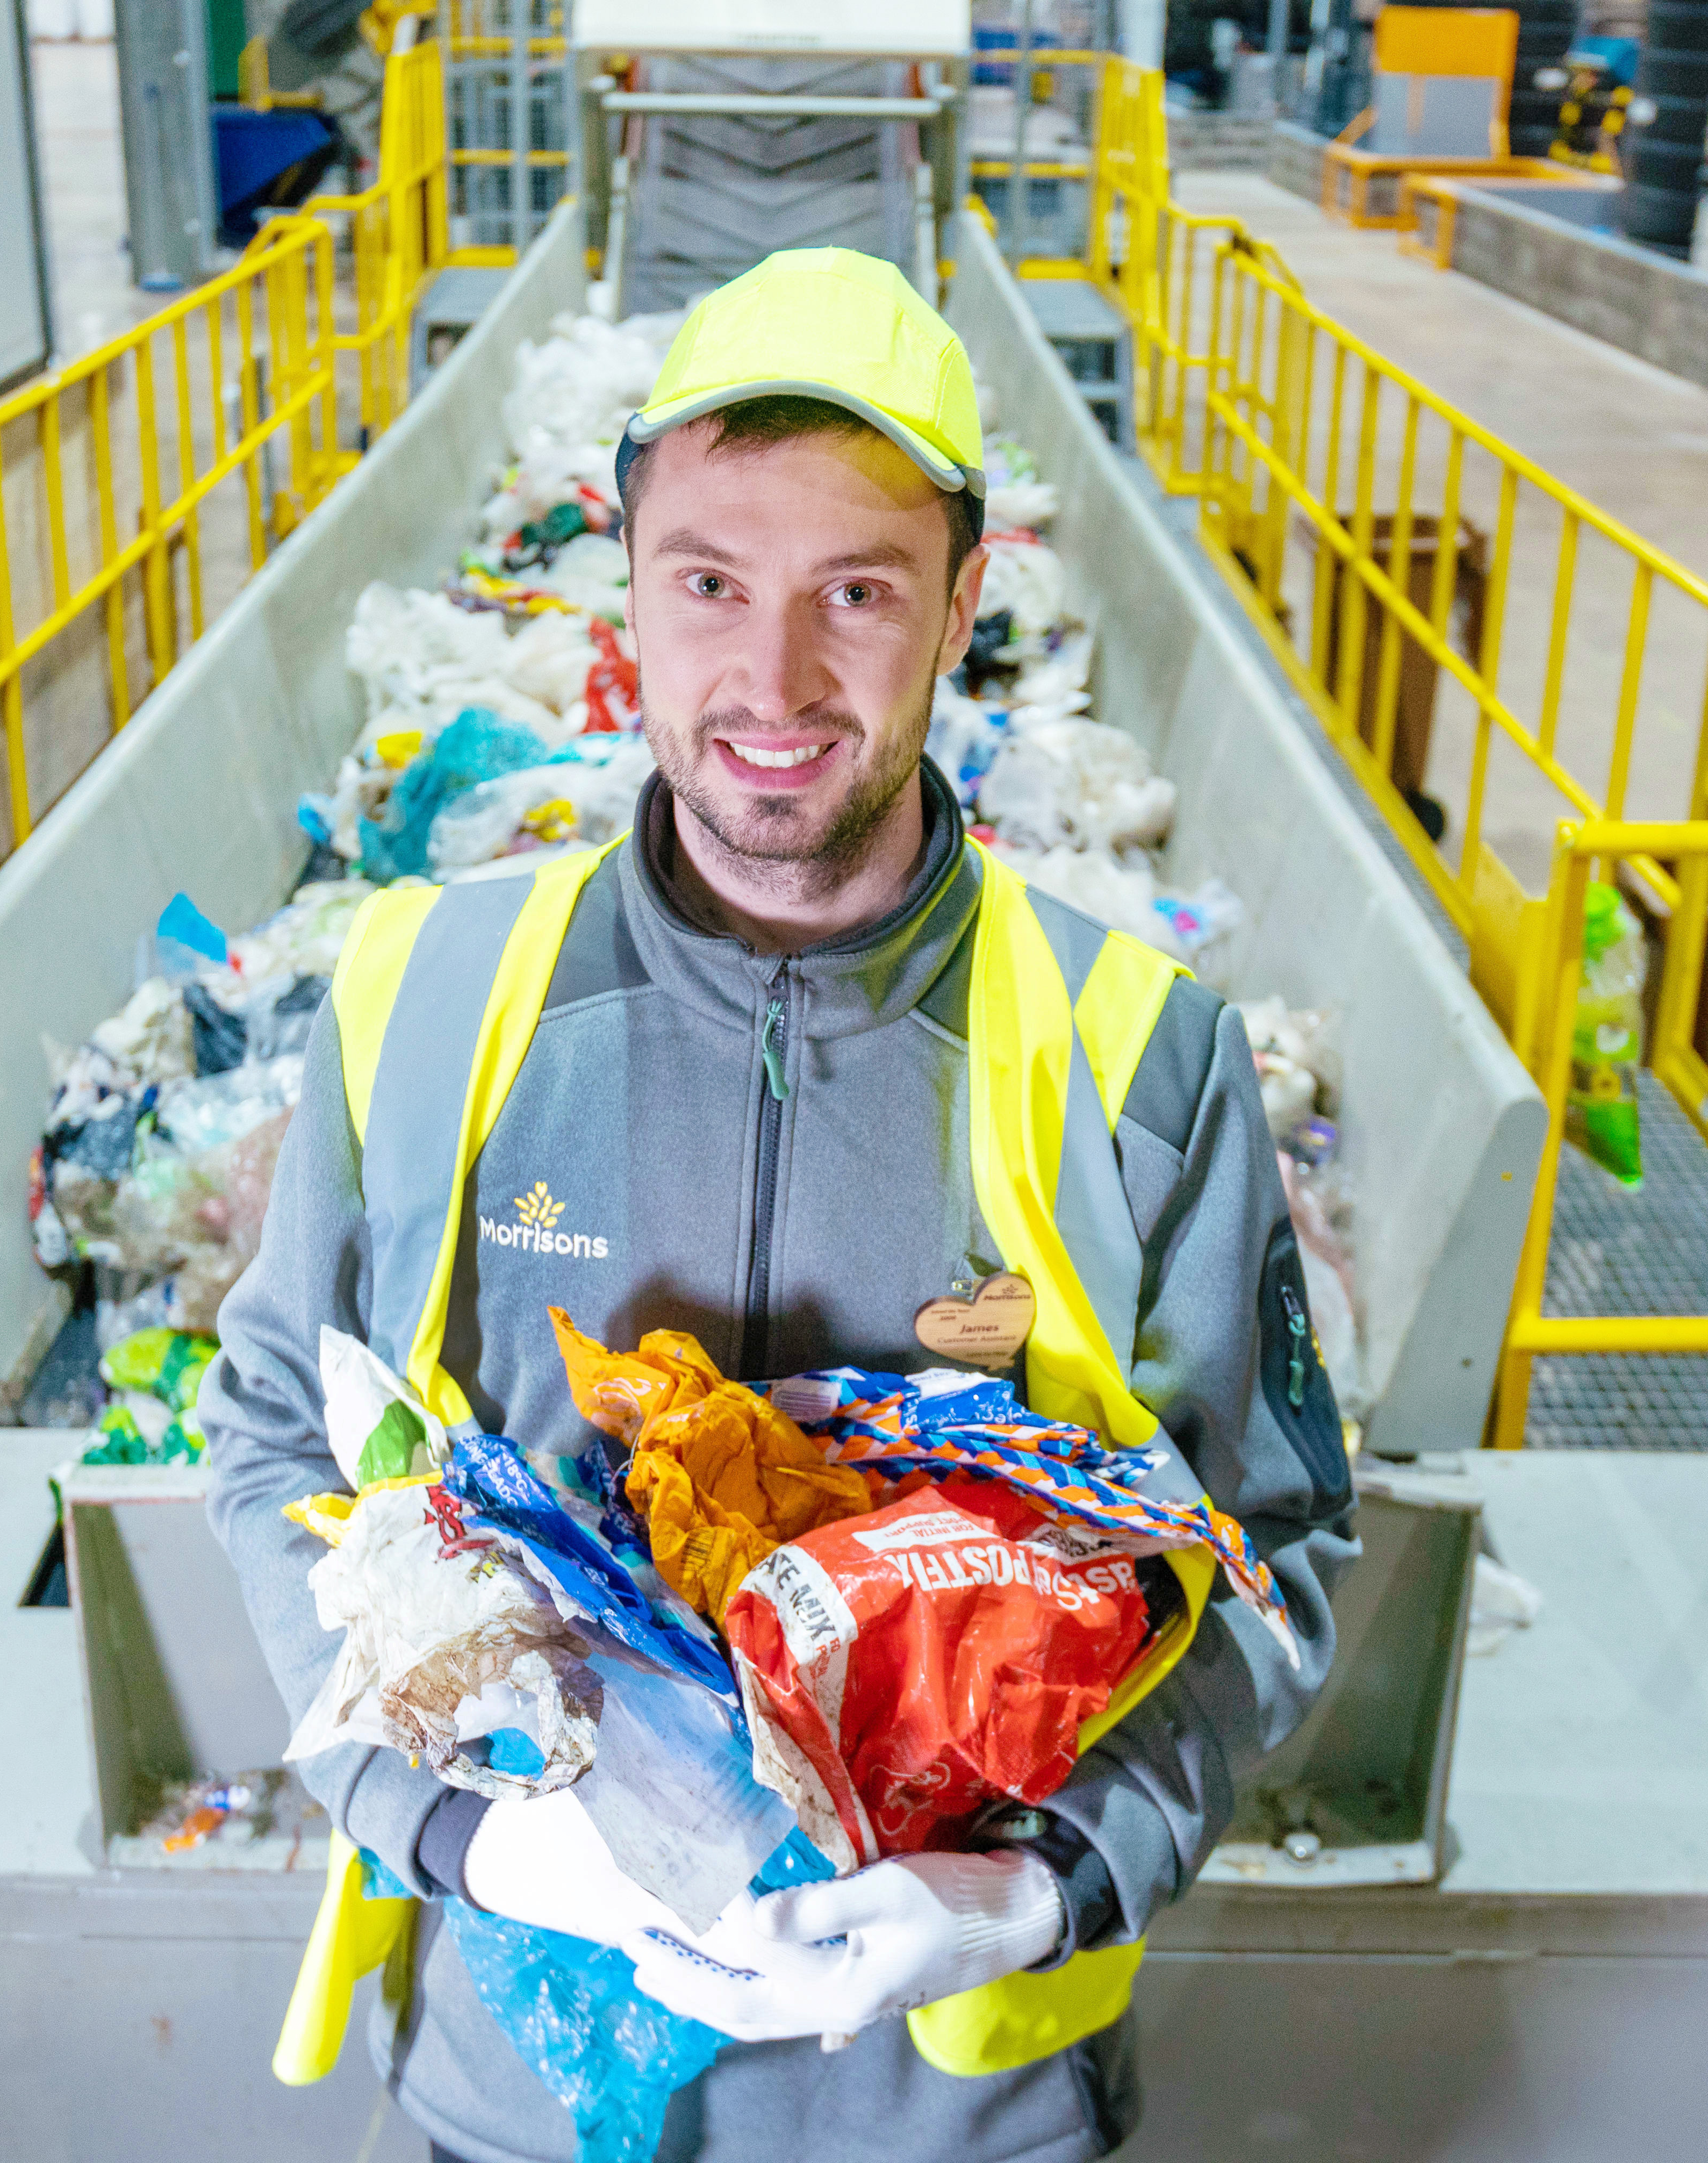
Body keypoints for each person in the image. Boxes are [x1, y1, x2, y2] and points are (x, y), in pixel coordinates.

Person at [200, 246, 1354, 2163]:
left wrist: (1032, 1888)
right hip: (526, 2072)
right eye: (711, 586)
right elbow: (264, 1434)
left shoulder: (1146, 1056)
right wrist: (480, 1837)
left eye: (861, 594)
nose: (775, 684)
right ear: (629, 589)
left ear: (969, 601)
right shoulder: (427, 999)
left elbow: (1277, 1549)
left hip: (955, 2095)